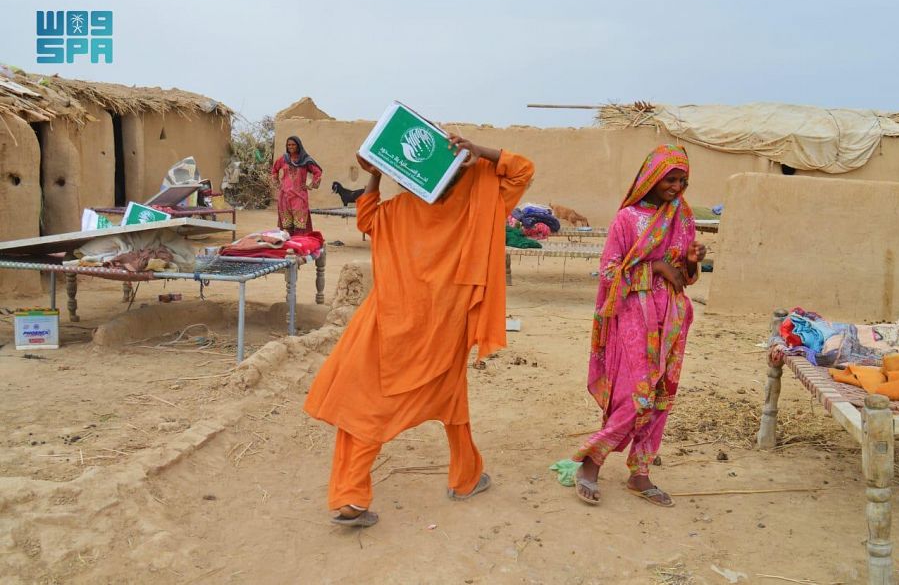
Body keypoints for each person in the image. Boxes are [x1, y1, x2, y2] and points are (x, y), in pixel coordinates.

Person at [303, 135, 535, 527]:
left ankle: (353, 495)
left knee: (369, 400)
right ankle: (466, 477)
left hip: (389, 324)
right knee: (448, 397)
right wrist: (482, 151)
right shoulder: (479, 206)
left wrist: (375, 178)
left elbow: (366, 218)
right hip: (446, 328)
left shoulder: (400, 209)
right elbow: (522, 169)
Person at [571, 144, 706, 508]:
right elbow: (609, 272)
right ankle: (591, 460)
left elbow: (685, 278)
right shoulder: (627, 219)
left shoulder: (682, 216)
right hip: (633, 317)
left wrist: (691, 264)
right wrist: (656, 268)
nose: (677, 187)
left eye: (682, 181)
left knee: (662, 396)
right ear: (652, 178)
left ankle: (640, 472)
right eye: (670, 180)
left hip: (672, 319)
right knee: (637, 394)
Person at [271, 136, 322, 234]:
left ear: (298, 146)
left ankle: (298, 246)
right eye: (289, 145)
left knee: (300, 225)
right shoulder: (283, 159)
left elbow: (318, 172)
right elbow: (274, 170)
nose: (291, 147)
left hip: (299, 197)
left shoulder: (306, 160)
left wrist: (310, 184)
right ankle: (288, 247)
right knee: (287, 226)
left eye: (293, 144)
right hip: (284, 196)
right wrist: (277, 183)